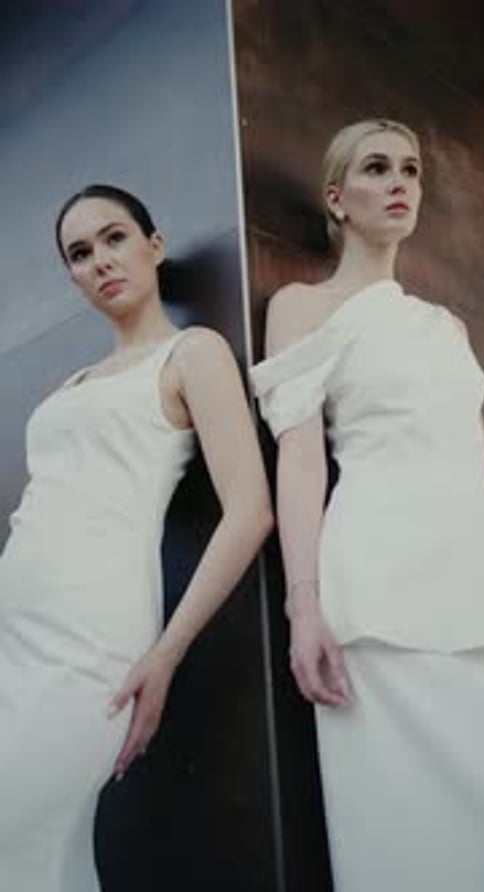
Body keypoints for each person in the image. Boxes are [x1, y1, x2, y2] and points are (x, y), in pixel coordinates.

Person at [0, 184, 273, 892]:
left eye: (115, 238)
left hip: (91, 640)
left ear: (153, 245)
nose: (100, 262)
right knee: (36, 860)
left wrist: (165, 654)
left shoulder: (191, 353)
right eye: (79, 253)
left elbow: (250, 510)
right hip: (12, 636)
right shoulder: (68, 387)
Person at [250, 119, 484, 891]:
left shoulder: (445, 326)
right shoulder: (304, 306)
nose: (399, 182)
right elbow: (298, 464)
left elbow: (482, 469)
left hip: (478, 589)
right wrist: (304, 607)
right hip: (380, 598)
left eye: (411, 170)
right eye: (376, 168)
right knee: (403, 839)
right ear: (337, 197)